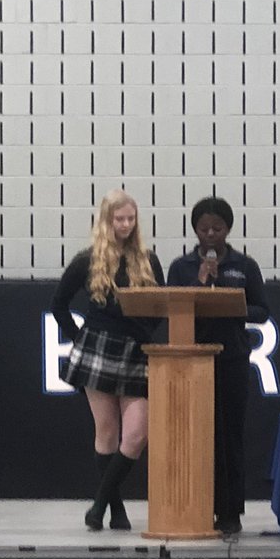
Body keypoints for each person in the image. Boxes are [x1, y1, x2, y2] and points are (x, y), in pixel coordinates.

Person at [51, 190, 164, 530]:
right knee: (107, 432)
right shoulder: (87, 260)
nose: (126, 225)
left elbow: (160, 306)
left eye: (131, 219)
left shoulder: (148, 259)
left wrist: (144, 330)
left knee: (136, 435)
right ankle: (115, 511)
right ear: (106, 221)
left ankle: (99, 502)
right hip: (98, 350)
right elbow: (59, 303)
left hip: (136, 351)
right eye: (119, 219)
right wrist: (80, 337)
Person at [167, 196, 269, 535]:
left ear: (228, 229)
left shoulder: (244, 266)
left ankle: (230, 511)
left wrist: (231, 301)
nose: (210, 235)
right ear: (195, 230)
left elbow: (261, 311)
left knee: (230, 435)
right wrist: (200, 283)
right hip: (191, 361)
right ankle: (194, 506)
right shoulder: (181, 267)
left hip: (232, 359)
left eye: (217, 229)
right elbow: (174, 306)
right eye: (204, 229)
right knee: (194, 435)